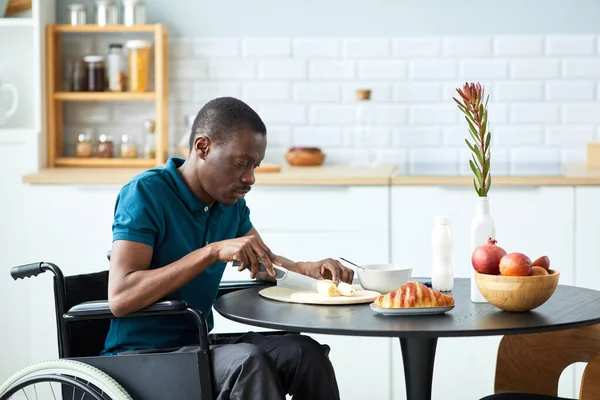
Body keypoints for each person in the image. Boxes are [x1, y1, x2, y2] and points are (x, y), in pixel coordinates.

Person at [101, 96, 354, 400]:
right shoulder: (145, 193)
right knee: (248, 362)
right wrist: (211, 251)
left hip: (197, 345)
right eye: (240, 164)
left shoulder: (230, 205)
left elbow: (264, 263)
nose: (250, 178)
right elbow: (121, 296)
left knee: (304, 354)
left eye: (255, 166)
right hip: (140, 356)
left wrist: (306, 270)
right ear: (202, 147)